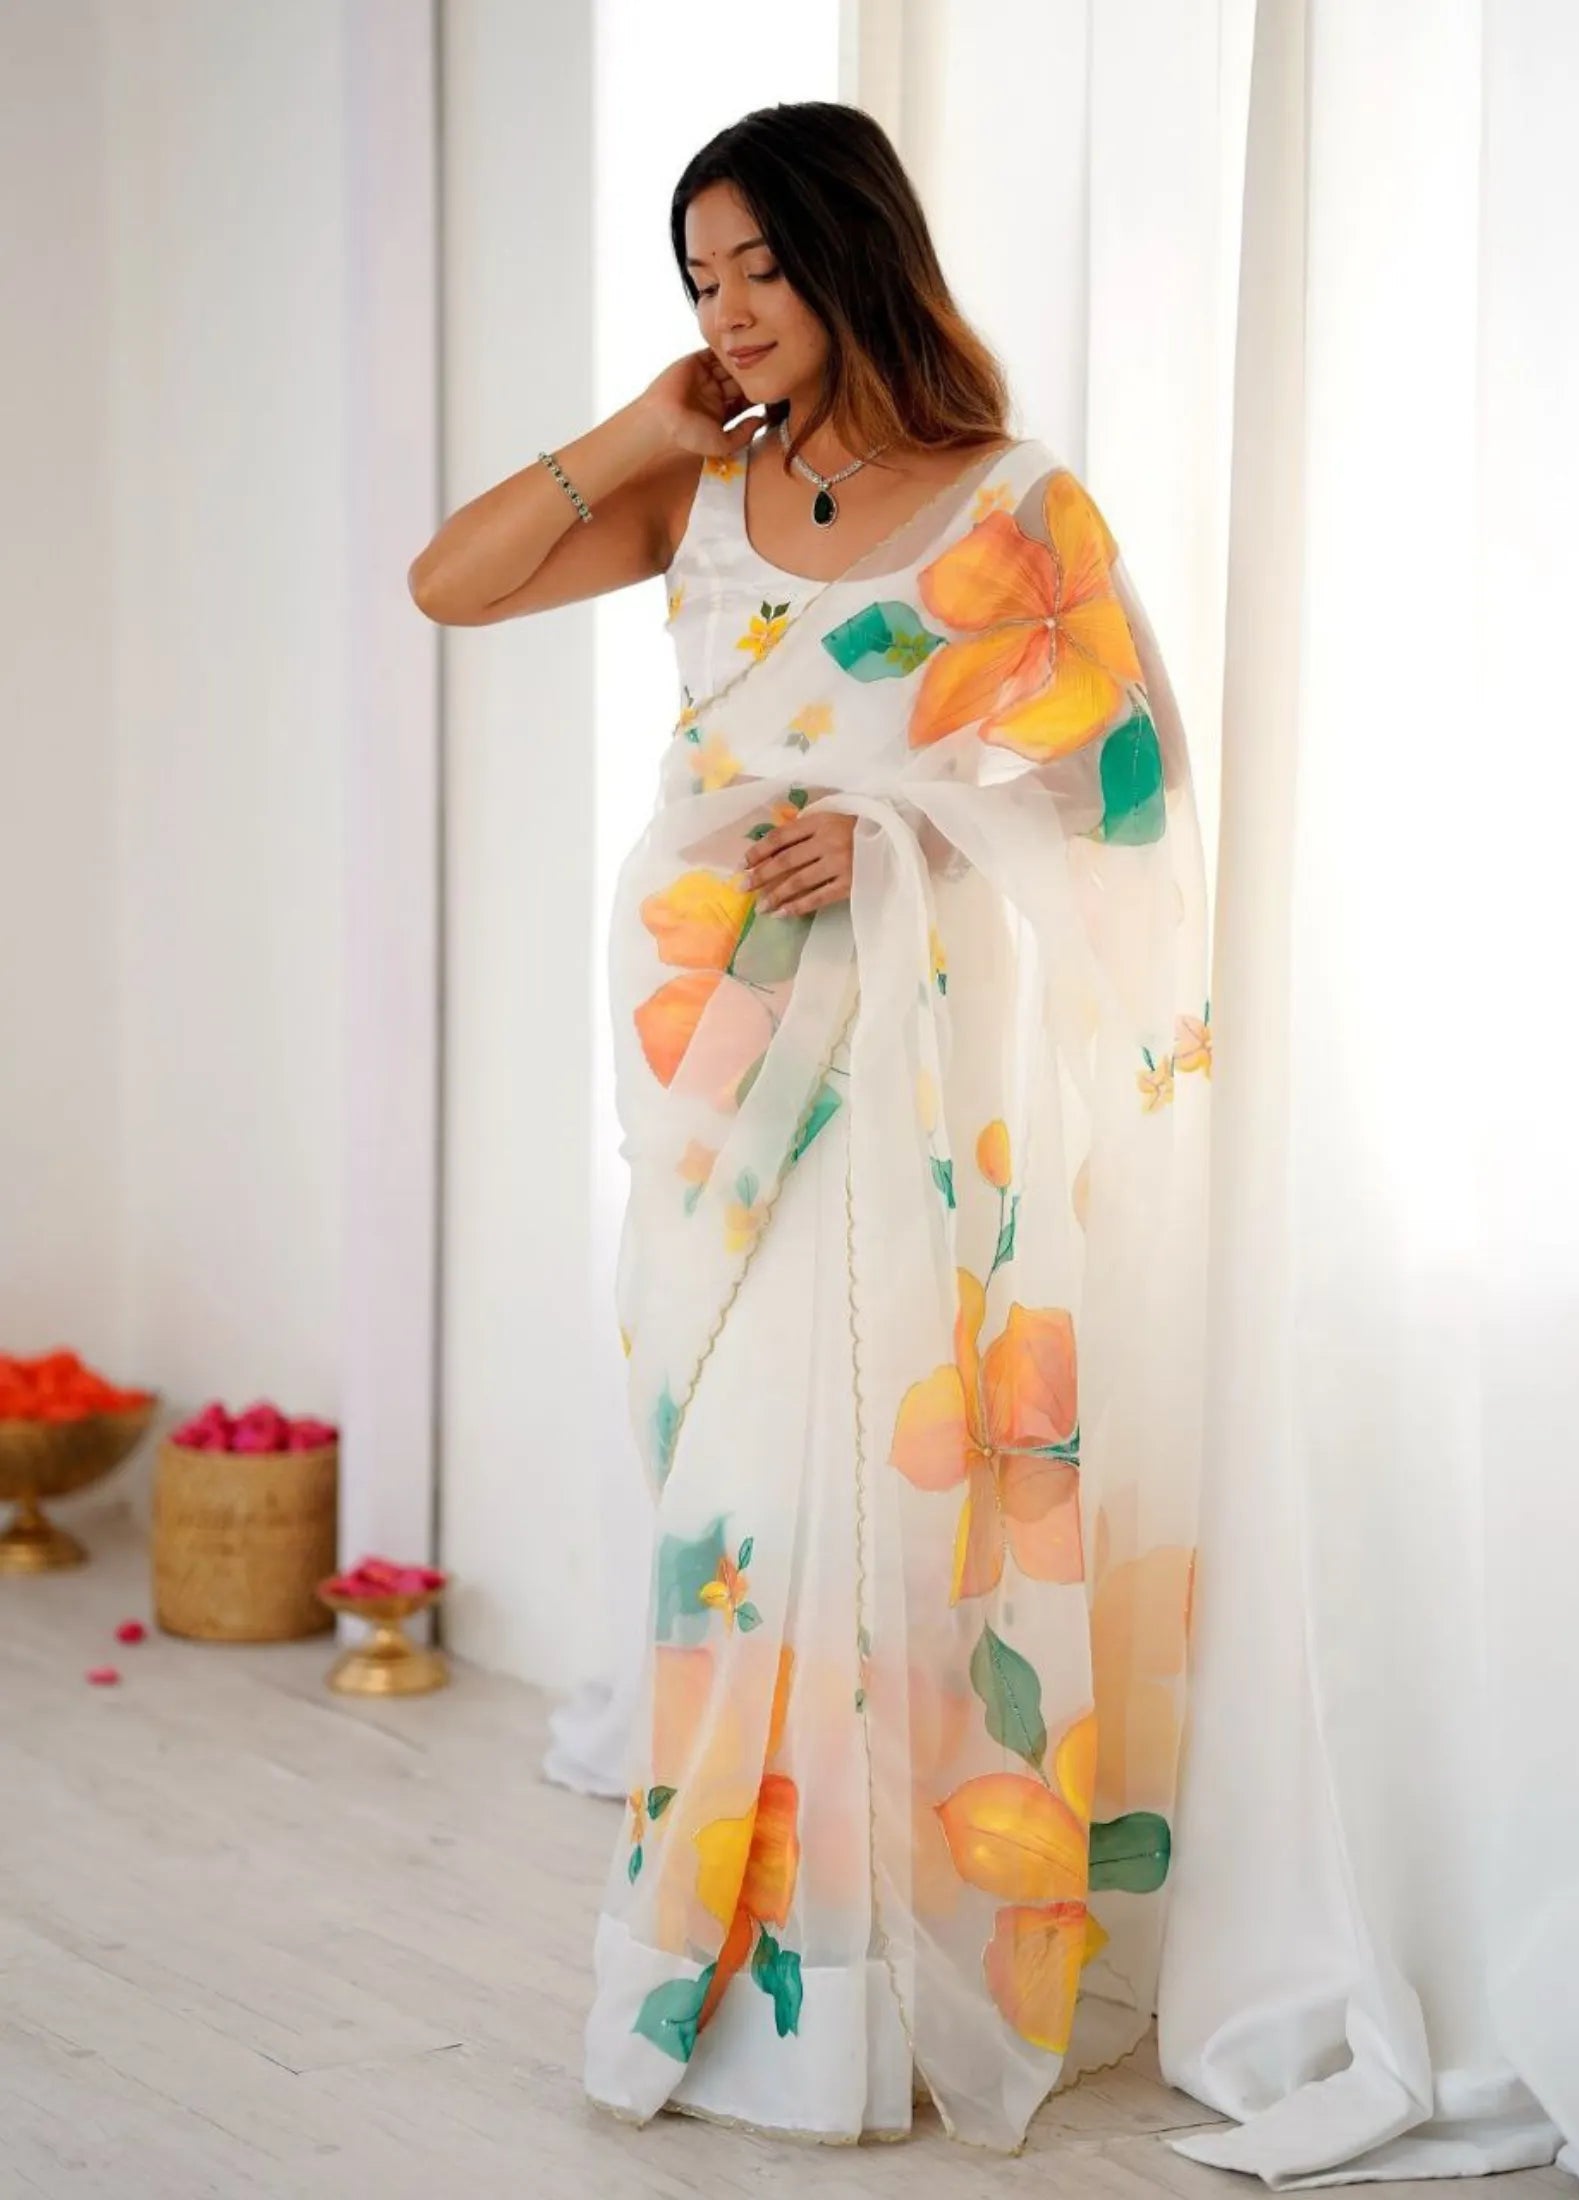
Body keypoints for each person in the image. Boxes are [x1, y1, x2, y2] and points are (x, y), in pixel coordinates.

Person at [410, 98, 1212, 2156]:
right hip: (711, 1087)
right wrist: (639, 421)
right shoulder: (701, 495)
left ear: (858, 249)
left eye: (762, 264)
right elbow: (448, 583)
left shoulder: (1013, 508)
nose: (731, 309)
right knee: (730, 1524)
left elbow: (1115, 803)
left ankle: (848, 2001)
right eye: (701, 277)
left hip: (908, 1094)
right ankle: (763, 1979)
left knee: (861, 1513)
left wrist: (894, 836)